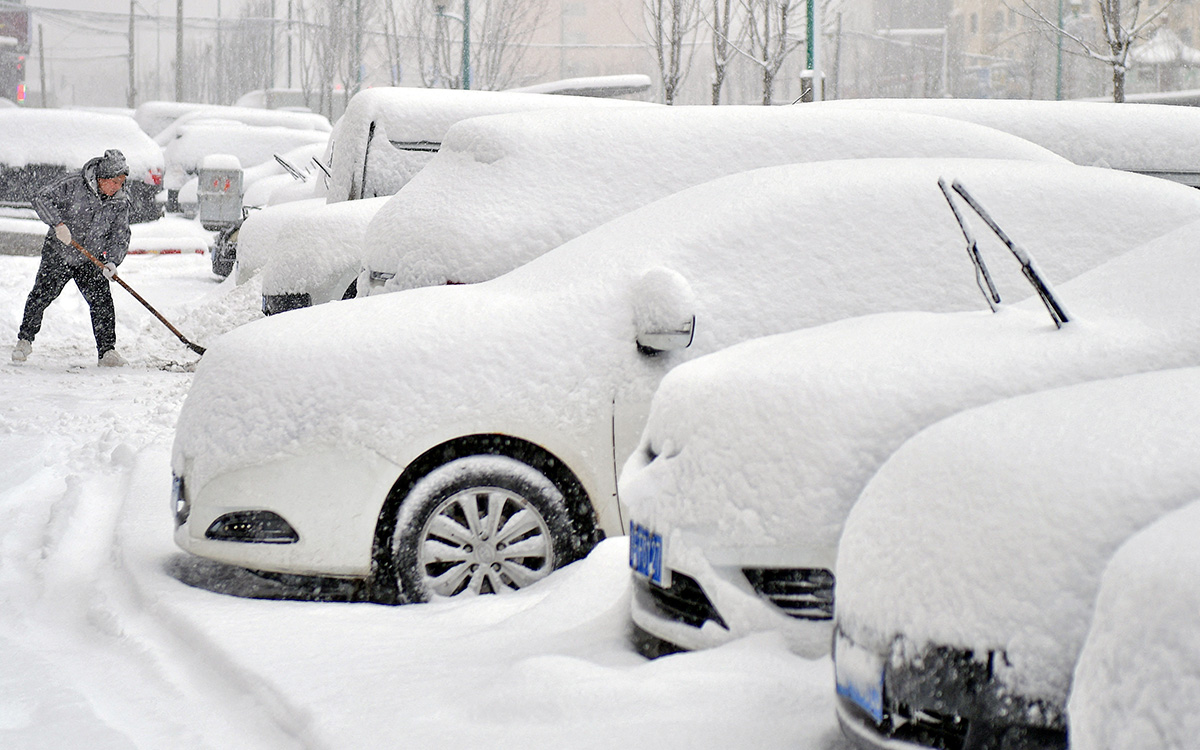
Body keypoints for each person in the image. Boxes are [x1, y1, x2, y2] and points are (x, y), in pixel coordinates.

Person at [11, 149, 132, 367]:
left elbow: (120, 234)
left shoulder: (120, 202)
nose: (117, 187)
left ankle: (107, 351)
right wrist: (58, 223)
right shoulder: (74, 184)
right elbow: (40, 197)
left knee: (102, 301)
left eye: (121, 182)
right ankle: (24, 339)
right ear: (101, 178)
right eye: (114, 182)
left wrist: (113, 261)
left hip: (90, 258)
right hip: (60, 252)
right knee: (42, 295)